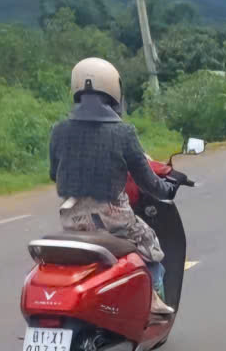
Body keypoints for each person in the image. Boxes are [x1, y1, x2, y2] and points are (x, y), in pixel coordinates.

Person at [49, 58, 179, 319]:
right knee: (150, 242)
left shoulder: (59, 130)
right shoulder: (123, 132)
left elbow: (55, 174)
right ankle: (153, 299)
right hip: (113, 218)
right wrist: (168, 190)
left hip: (72, 219)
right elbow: (146, 180)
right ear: (113, 91)